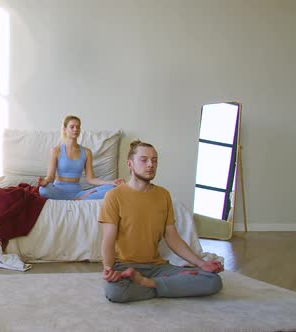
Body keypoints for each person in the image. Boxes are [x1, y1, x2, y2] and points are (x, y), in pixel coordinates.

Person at [99, 140, 223, 303]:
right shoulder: (114, 196)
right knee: (115, 292)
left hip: (157, 267)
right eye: (144, 160)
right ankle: (166, 286)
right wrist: (108, 269)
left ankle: (147, 283)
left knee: (212, 281)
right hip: (124, 267)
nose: (151, 164)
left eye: (154, 160)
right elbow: (107, 240)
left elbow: (173, 238)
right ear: (130, 164)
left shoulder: (163, 195)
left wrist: (201, 263)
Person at [38, 115, 123, 200]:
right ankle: (77, 199)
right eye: (72, 127)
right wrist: (45, 181)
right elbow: (50, 177)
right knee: (43, 190)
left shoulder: (86, 152)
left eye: (78, 127)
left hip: (78, 192)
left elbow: (91, 179)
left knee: (112, 188)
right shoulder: (56, 151)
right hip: (58, 191)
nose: (75, 129)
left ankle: (78, 198)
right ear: (65, 129)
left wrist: (112, 182)